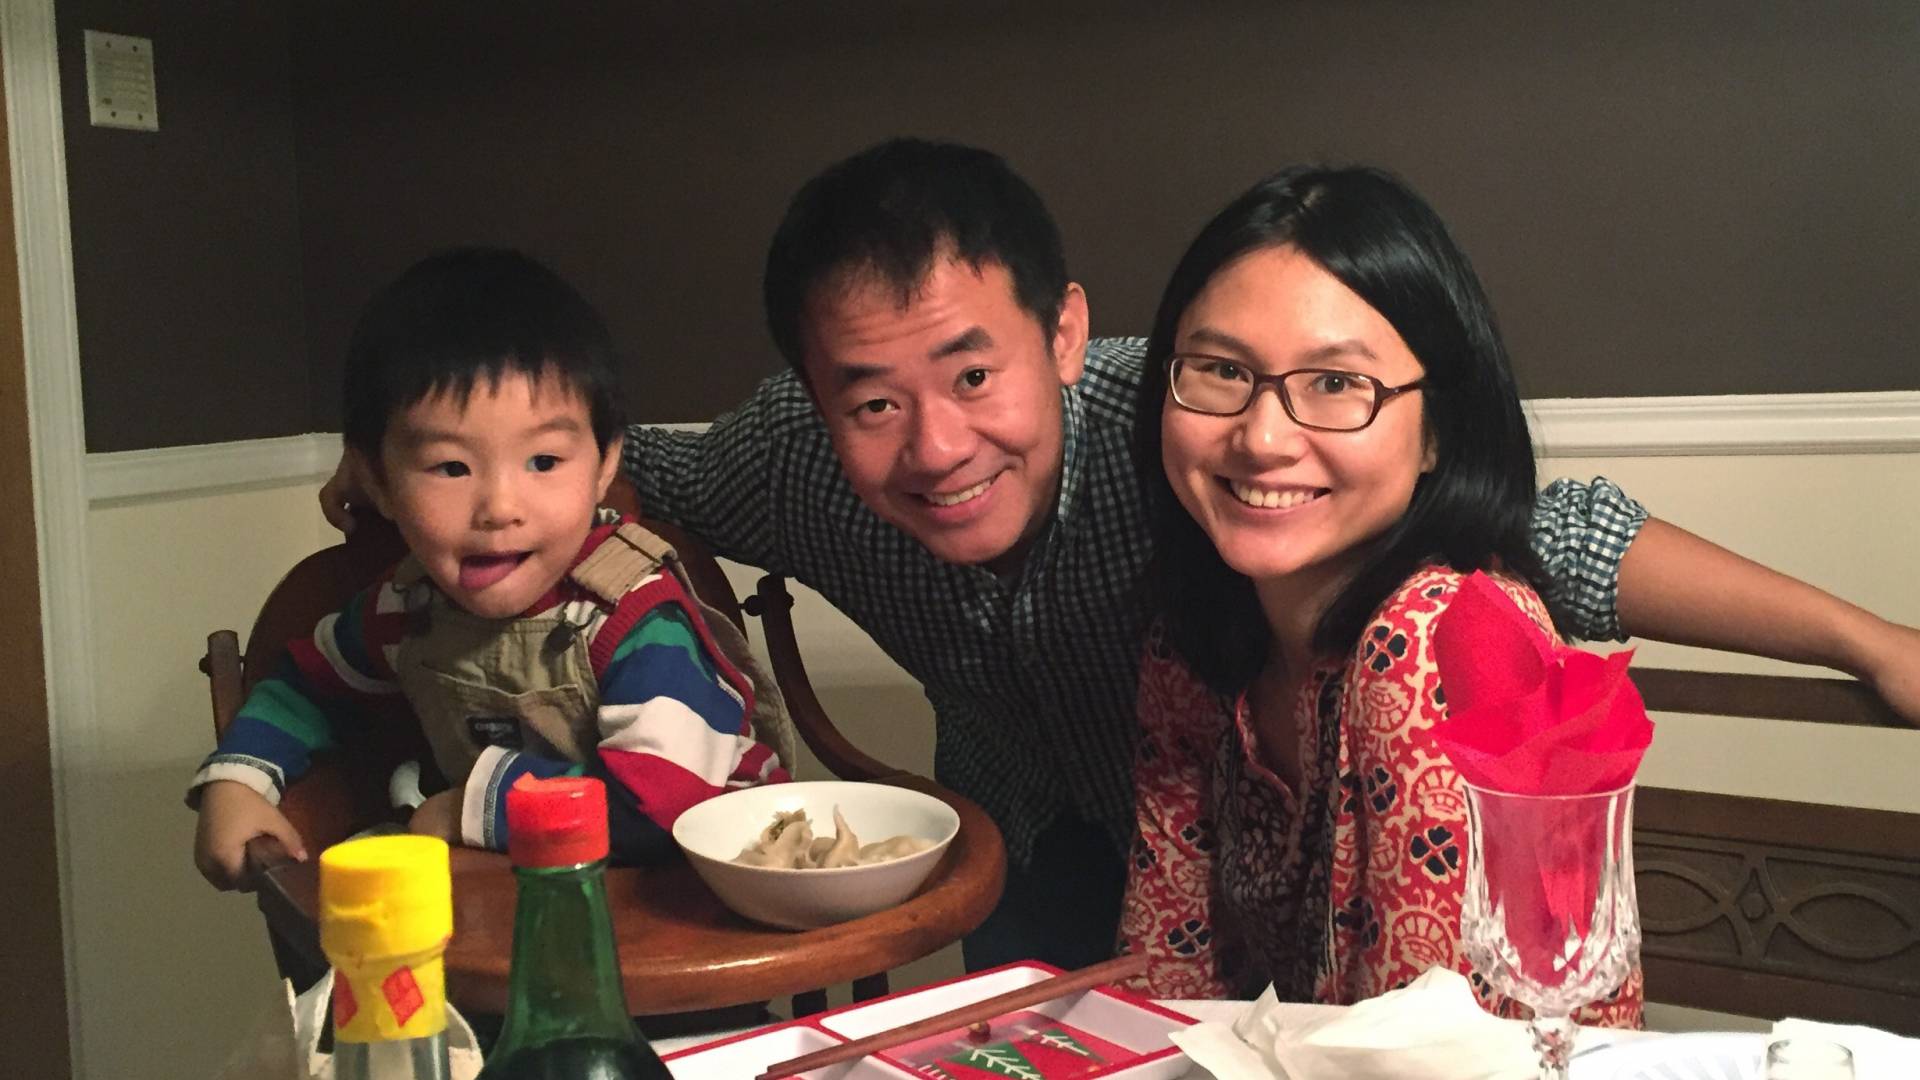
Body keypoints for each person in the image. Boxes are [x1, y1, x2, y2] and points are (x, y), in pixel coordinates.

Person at [317, 139, 1920, 970]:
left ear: (1070, 332)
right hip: (1038, 839)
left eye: (972, 373)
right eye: (869, 398)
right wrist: (391, 505)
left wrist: (1870, 639)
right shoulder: (786, 463)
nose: (935, 446)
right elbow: (584, 469)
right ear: (813, 398)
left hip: (1289, 846)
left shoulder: (1209, 431)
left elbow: (1547, 533)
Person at [1120, 165, 1641, 1024]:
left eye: (1334, 384)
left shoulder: (1438, 635)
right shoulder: (1196, 632)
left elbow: (1419, 1048)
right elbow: (1164, 979)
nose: (1261, 436)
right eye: (1219, 369)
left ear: (1438, 431)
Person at [192, 248, 789, 890]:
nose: (500, 509)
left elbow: (661, 811)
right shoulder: (406, 609)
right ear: (377, 482)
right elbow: (304, 682)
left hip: (692, 902)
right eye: (451, 467)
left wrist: (468, 808)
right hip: (522, 895)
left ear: (605, 464)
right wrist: (240, 775)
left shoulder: (638, 619)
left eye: (544, 462)